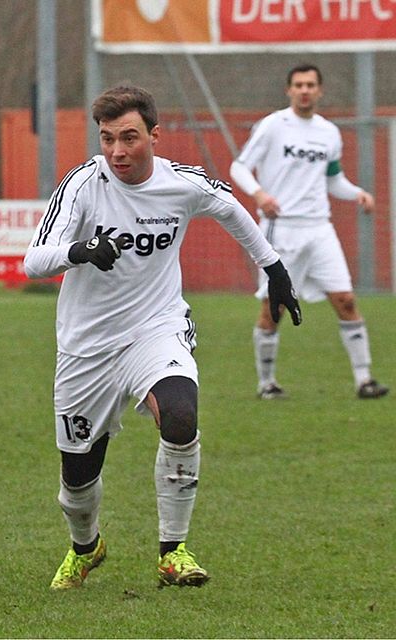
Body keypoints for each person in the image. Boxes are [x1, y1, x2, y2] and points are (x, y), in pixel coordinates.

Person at [24, 85, 301, 589]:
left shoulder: (183, 183)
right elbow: (34, 260)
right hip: (86, 348)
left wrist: (274, 269)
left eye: (129, 138)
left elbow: (234, 211)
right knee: (77, 481)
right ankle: (86, 548)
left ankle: (173, 550)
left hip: (156, 328)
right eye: (107, 139)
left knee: (179, 415)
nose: (117, 152)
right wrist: (81, 250)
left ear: (154, 134)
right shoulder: (83, 185)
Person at [230, 63, 388, 400]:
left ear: (320, 91)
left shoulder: (328, 132)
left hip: (319, 228)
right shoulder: (274, 126)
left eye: (310, 84)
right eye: (298, 84)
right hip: (280, 229)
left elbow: (332, 179)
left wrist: (356, 192)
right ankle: (266, 383)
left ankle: (364, 380)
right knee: (275, 308)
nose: (304, 90)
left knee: (345, 300)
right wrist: (260, 194)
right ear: (289, 90)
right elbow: (239, 166)